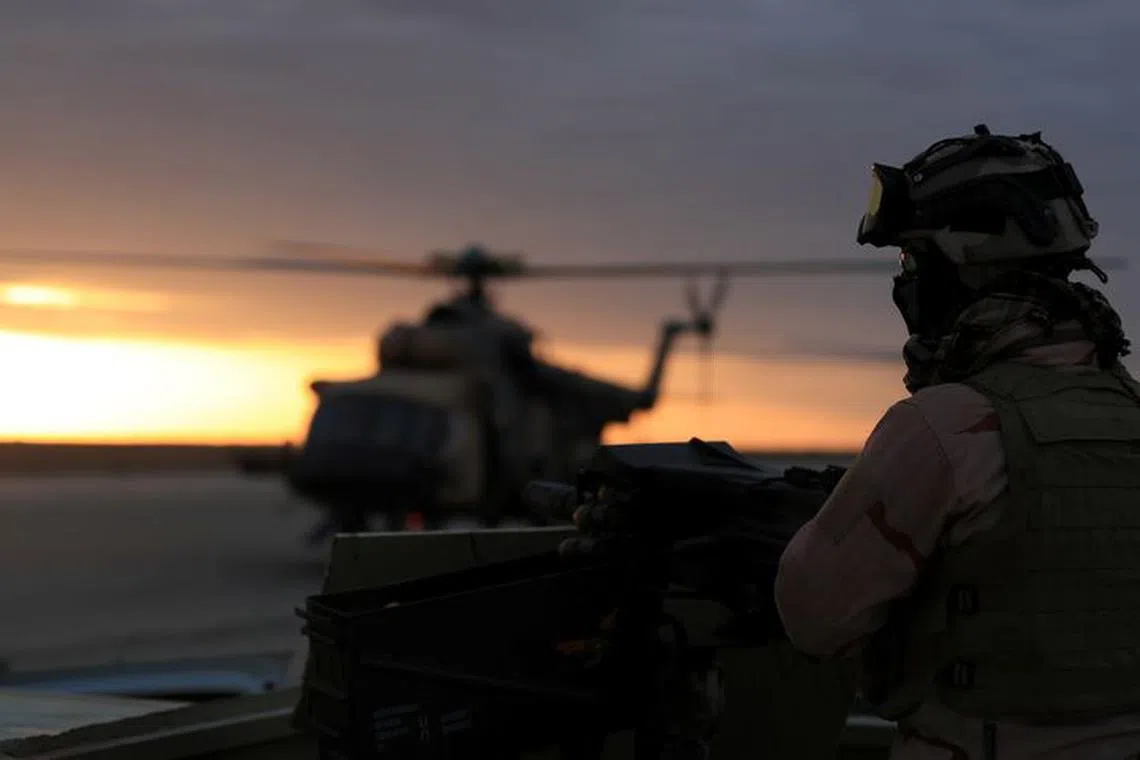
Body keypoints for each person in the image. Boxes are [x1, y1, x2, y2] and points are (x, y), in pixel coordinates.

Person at [774, 125, 1140, 759]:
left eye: (911, 261)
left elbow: (814, 619)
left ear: (961, 264)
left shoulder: (942, 428)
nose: (906, 282)